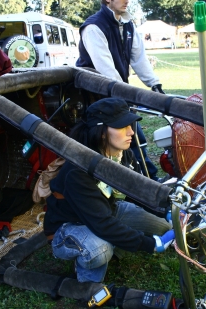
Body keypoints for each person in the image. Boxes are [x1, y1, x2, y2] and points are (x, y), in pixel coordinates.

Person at [43, 98, 173, 283]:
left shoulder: (122, 153)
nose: (131, 132)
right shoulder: (77, 171)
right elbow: (102, 224)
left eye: (131, 124)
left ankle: (114, 243)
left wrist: (166, 209)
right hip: (69, 226)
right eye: (122, 126)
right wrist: (151, 244)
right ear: (102, 132)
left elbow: (137, 190)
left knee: (163, 227)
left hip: (106, 210)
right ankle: (87, 285)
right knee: (100, 250)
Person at [76, 0, 166, 182]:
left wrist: (154, 83)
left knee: (134, 137)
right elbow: (105, 68)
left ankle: (146, 179)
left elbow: (138, 57)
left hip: (118, 92)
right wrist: (127, 94)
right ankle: (142, 181)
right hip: (96, 95)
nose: (127, 0)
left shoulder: (127, 25)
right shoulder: (93, 27)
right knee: (121, 140)